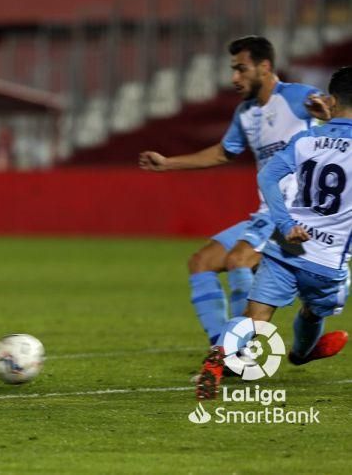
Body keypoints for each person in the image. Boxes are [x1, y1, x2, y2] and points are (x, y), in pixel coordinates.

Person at [139, 36, 328, 346]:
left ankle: (241, 348)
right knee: (201, 263)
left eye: (241, 69)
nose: (234, 78)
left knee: (239, 259)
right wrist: (167, 163)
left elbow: (327, 105)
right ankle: (221, 346)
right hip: (266, 213)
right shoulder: (246, 113)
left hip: (296, 212)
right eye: (233, 70)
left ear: (264, 67)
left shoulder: (297, 98)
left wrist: (326, 110)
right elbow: (223, 153)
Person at [195, 66, 352, 399]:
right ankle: (300, 354)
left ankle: (216, 363)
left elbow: (267, 178)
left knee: (256, 317)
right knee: (314, 310)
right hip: (327, 261)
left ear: (333, 100)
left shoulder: (307, 139)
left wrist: (283, 224)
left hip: (285, 248)